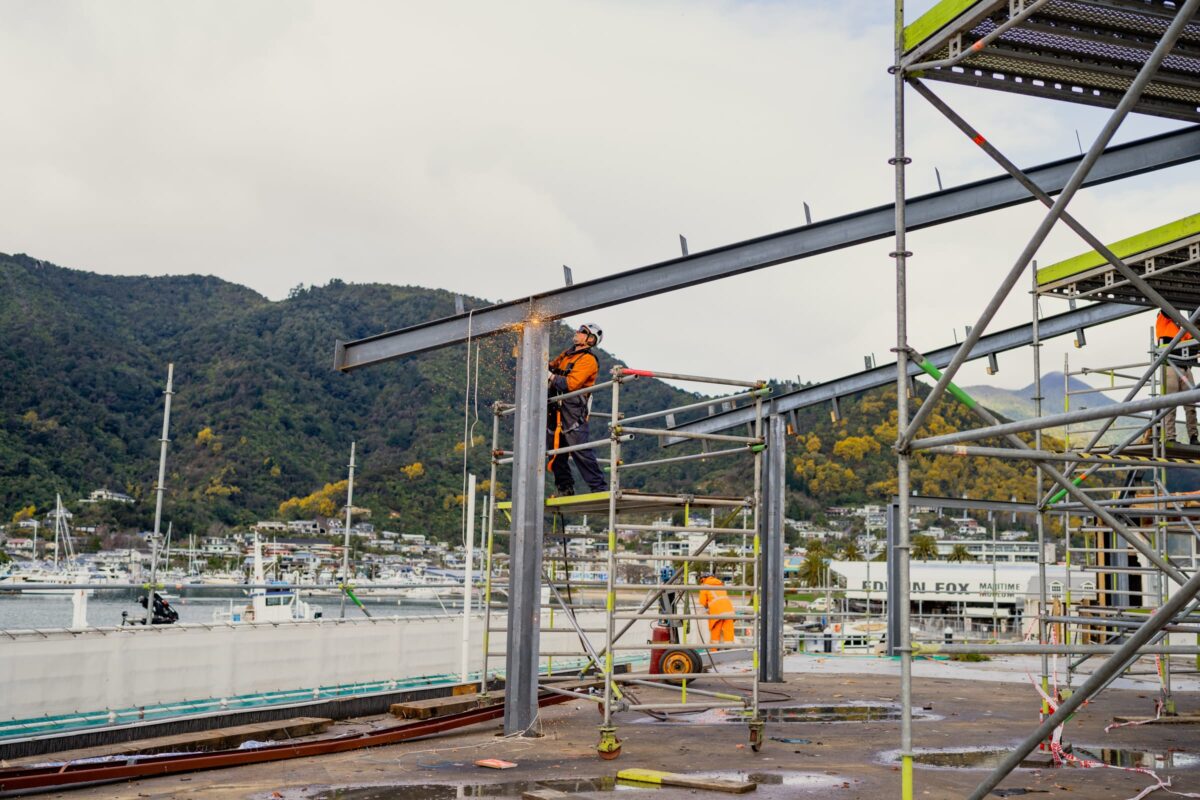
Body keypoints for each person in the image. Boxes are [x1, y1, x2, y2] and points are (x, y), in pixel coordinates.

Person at [546, 323, 608, 496]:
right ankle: (565, 487)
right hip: (556, 407)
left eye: (583, 332)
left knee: (579, 449)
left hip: (573, 409)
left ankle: (599, 488)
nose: (577, 333)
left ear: (590, 339)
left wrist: (550, 376)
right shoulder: (567, 354)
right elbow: (553, 366)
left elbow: (571, 384)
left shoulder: (588, 360)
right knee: (556, 450)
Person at [1157, 310, 1197, 445]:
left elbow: (1192, 339)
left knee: (1191, 404)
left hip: (1185, 368)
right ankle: (1170, 437)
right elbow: (1166, 309)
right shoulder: (1163, 319)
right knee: (1170, 404)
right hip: (1170, 366)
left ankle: (1193, 436)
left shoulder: (1181, 327)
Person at [697, 573, 735, 644]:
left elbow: (702, 603)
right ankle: (730, 651)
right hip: (729, 611)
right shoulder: (720, 585)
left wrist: (707, 609)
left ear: (703, 579)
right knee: (729, 636)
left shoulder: (705, 586)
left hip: (717, 613)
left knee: (715, 637)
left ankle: (714, 653)